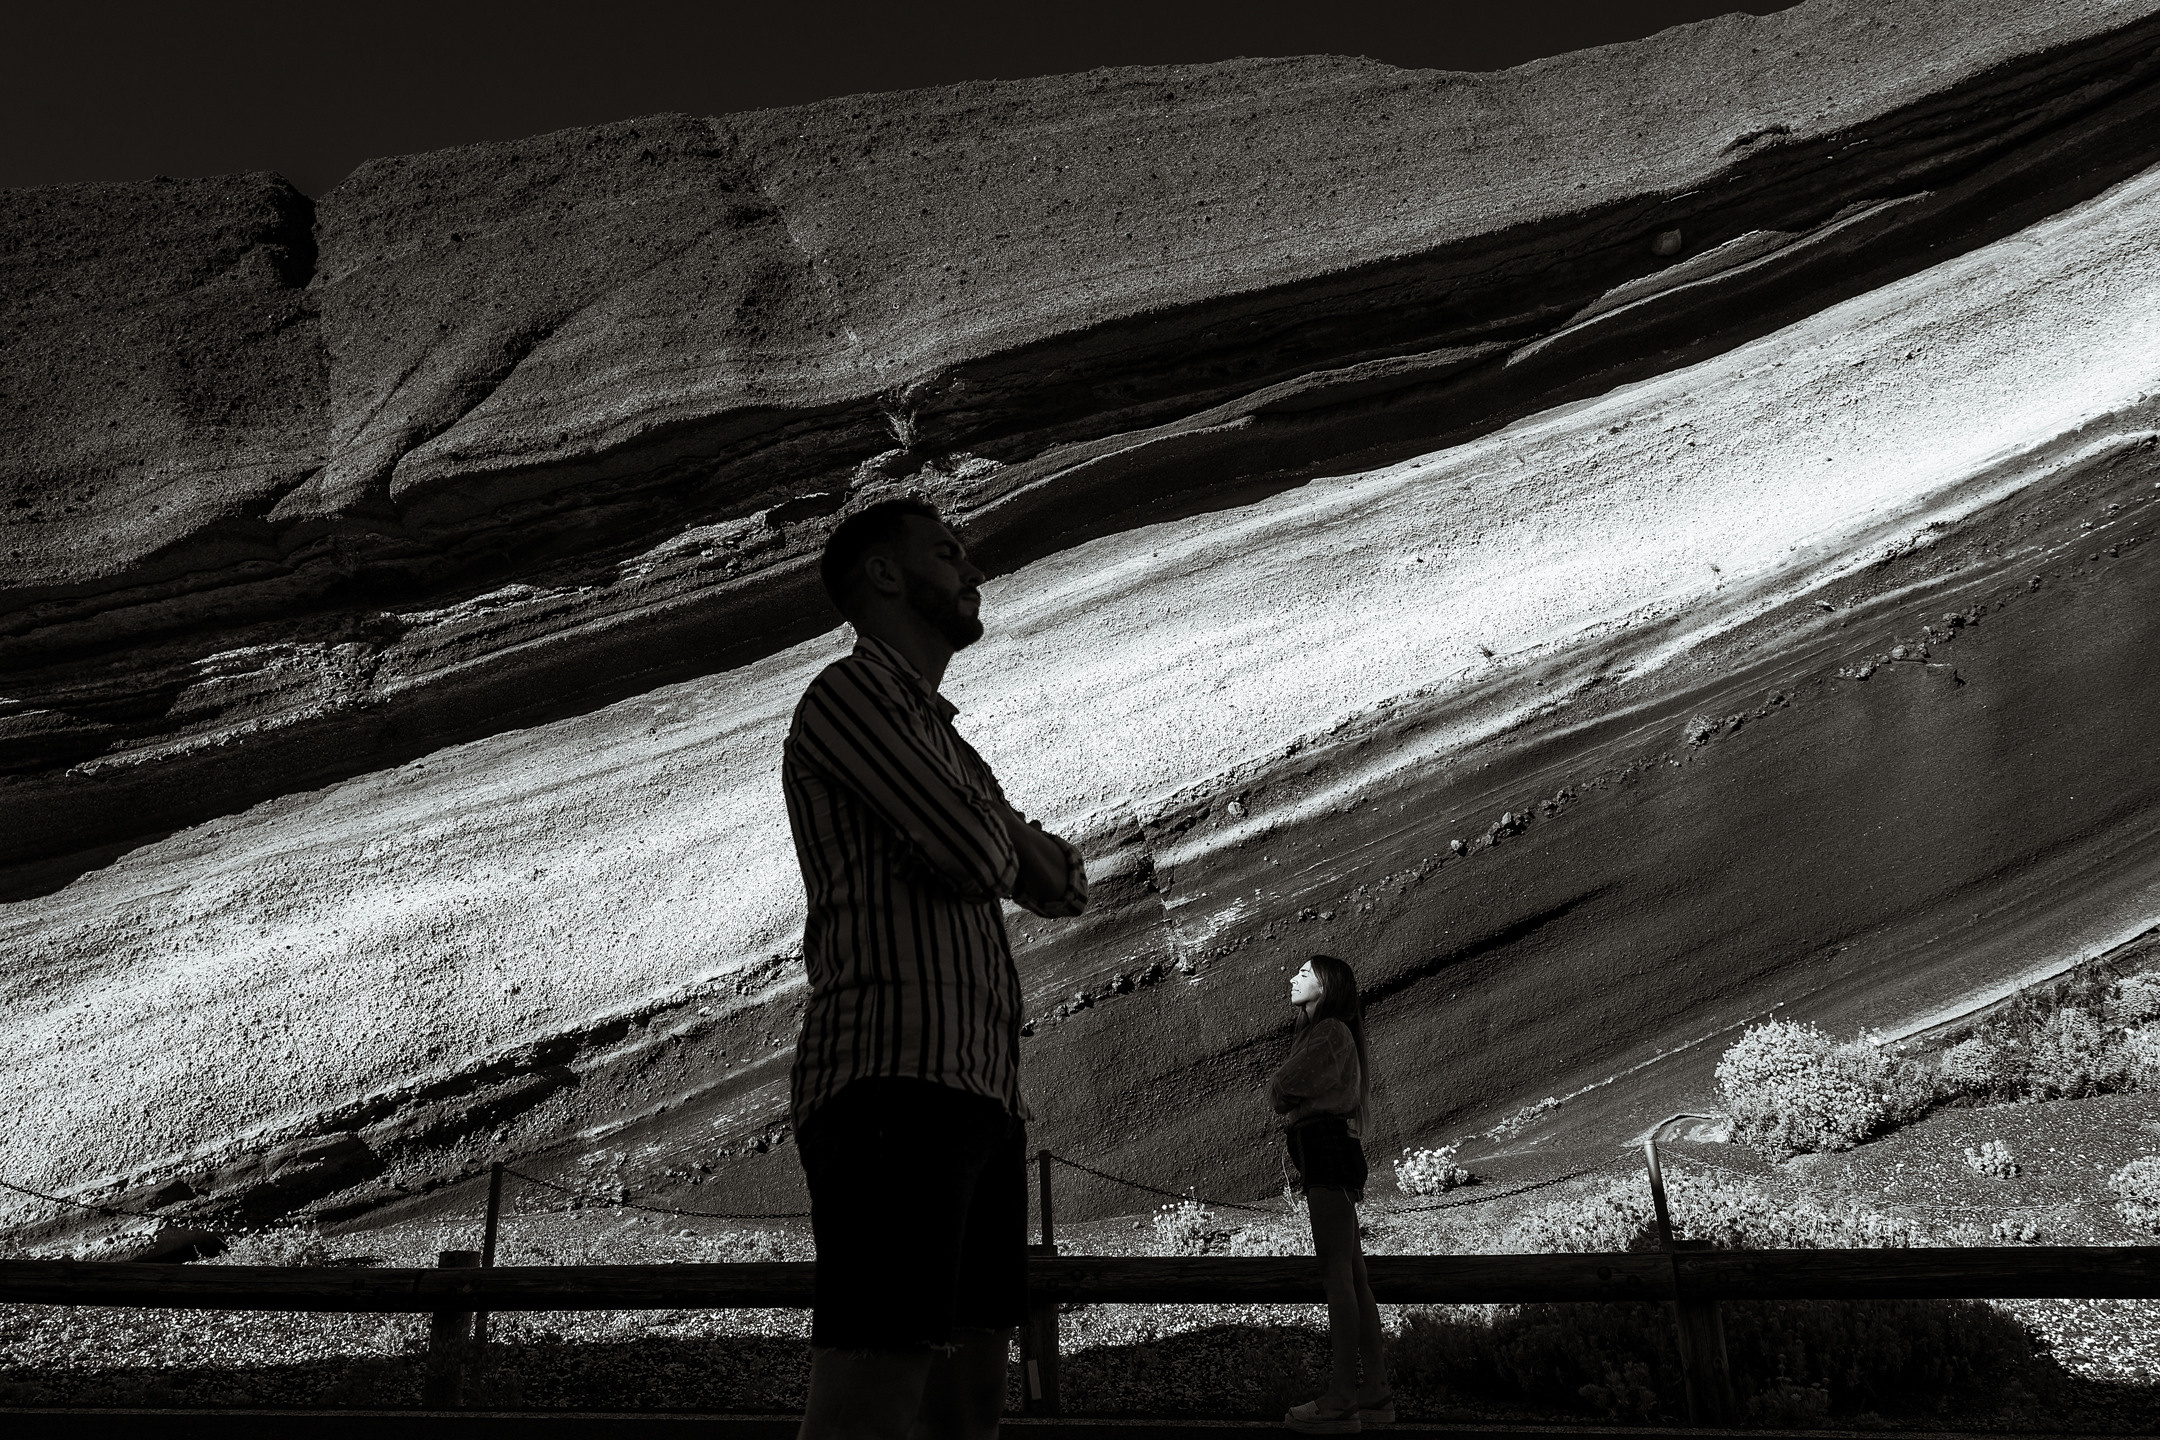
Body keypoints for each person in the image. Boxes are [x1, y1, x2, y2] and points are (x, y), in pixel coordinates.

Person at [783, 497, 1089, 1440]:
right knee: (872, 1397)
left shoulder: (946, 739)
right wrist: (1001, 826)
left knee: (969, 1406)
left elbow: (1066, 885)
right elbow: (976, 854)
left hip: (978, 1095)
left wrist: (986, 825)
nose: (974, 572)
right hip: (891, 1088)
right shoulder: (847, 697)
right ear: (884, 573)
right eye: (949, 553)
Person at [1270, 954, 1389, 1433]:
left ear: (1327, 985)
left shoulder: (1329, 1032)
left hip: (1326, 1150)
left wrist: (1280, 1087)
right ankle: (1375, 1391)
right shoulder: (1328, 1033)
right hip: (1329, 1150)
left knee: (1337, 1275)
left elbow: (1284, 1088)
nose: (1293, 977)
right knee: (1353, 1276)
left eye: (1304, 973)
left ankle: (1341, 1399)